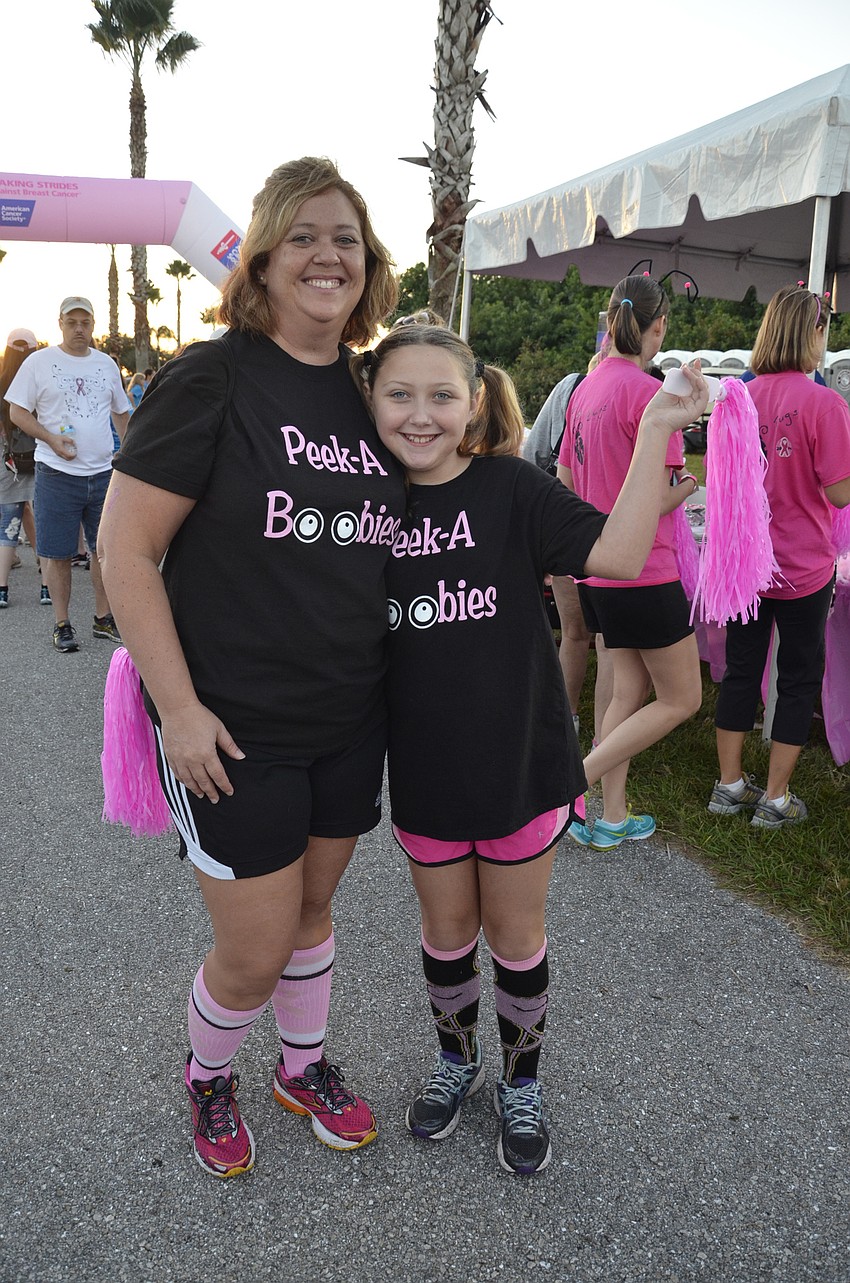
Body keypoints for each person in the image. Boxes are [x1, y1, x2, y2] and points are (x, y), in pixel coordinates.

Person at [97, 157, 404, 1179]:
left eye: (347, 238)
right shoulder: (214, 375)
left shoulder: (372, 391)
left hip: (347, 715)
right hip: (230, 723)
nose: (328, 255)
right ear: (264, 258)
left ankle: (301, 1064)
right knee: (254, 945)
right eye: (305, 236)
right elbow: (124, 548)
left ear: (370, 267)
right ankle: (208, 1070)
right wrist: (176, 709)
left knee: (315, 913)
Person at [352, 323, 708, 1174]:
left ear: (473, 400)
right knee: (445, 932)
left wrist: (658, 427)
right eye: (399, 393)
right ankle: (454, 1060)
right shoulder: (362, 509)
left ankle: (520, 1078)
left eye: (442, 393)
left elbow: (619, 553)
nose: (421, 413)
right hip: (429, 773)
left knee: (514, 937)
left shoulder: (511, 488)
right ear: (369, 401)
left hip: (522, 765)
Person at [557, 274, 703, 851]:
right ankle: (567, 788)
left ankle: (610, 817)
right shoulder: (648, 394)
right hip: (645, 568)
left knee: (625, 694)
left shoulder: (585, 390)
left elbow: (566, 481)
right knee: (682, 698)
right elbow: (652, 497)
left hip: (597, 567)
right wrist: (686, 488)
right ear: (659, 326)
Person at [709, 286, 850, 827]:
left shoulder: (736, 397)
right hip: (803, 567)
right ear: (813, 334)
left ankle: (728, 786)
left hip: (745, 567)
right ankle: (775, 798)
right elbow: (839, 493)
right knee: (796, 675)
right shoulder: (824, 403)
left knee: (741, 671)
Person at [5, 297, 129, 651]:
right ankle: (62, 623)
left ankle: (103, 620)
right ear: (60, 323)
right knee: (57, 554)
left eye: (85, 322)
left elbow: (121, 413)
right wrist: (50, 438)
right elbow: (17, 412)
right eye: (72, 322)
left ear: (93, 325)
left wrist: (129, 450)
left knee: (103, 551)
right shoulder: (39, 362)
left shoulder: (106, 364)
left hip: (105, 474)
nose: (79, 328)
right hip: (57, 473)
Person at [523, 357, 614, 744]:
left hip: (565, 529)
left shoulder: (574, 387)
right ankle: (603, 743)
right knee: (607, 642)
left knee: (576, 634)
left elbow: (534, 456)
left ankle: (563, 725)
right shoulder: (644, 390)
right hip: (611, 536)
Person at [0, 329, 50, 608]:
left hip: (7, 461)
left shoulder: (2, 382)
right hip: (41, 453)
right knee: (40, 515)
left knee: (9, 522)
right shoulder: (38, 380)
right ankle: (45, 587)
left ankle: (2, 590)